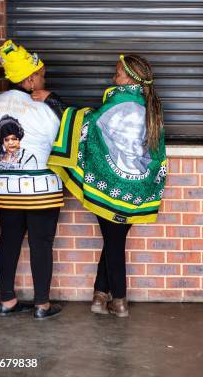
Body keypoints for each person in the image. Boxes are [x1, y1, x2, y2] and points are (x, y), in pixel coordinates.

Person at [37, 54, 167, 318]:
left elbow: (88, 123)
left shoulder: (119, 102)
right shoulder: (149, 105)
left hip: (111, 185)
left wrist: (53, 100)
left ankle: (119, 301)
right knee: (113, 240)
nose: (113, 77)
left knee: (114, 244)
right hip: (137, 188)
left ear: (130, 77)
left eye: (118, 73)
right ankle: (99, 296)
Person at [0, 40, 63, 319]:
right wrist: (55, 100)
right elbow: (65, 140)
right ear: (29, 79)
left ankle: (7, 301)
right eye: (40, 74)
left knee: (9, 241)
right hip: (43, 188)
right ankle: (42, 305)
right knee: (41, 243)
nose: (43, 79)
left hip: (5, 188)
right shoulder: (45, 107)